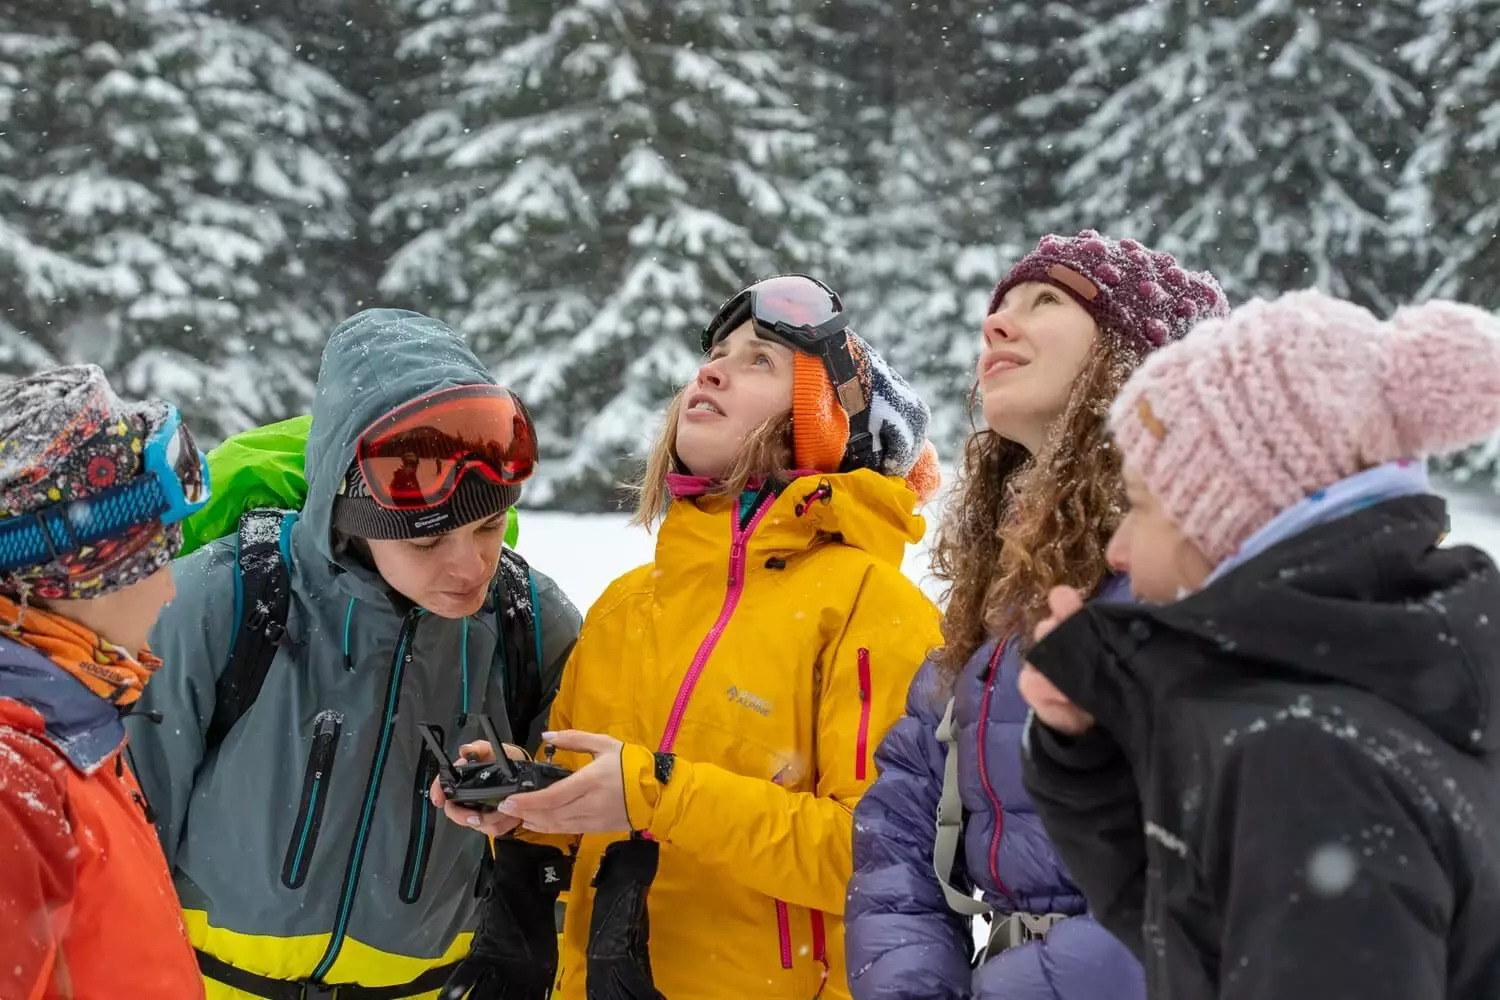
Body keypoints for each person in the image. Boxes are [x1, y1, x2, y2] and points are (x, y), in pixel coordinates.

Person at [434, 274, 945, 1000]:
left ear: (822, 421)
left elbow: (877, 860)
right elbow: (589, 827)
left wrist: (658, 794)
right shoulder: (625, 606)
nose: (711, 369)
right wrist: (526, 804)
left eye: (760, 361)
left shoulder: (872, 609)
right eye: (717, 353)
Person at [1019, 290, 1500, 999]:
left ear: (1228, 527)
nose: (1118, 549)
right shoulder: (1380, 692)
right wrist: (1088, 753)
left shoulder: (1311, 762)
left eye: (1143, 508)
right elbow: (1201, 938)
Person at [126, 309, 583, 998]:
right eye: (428, 542)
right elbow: (123, 834)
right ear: (349, 517)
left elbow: (586, 832)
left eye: (490, 526)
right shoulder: (223, 602)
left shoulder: (530, 625)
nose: (471, 565)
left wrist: (535, 799)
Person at [845, 231, 1229, 1000]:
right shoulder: (994, 609)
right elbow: (895, 839)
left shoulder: (1205, 580)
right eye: (998, 308)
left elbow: (1220, 878)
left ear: (1141, 355)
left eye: (1046, 300)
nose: (996, 324)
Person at [0, 365, 209, 999]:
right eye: (156, 560)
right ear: (83, 577)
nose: (170, 589)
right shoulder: (14, 785)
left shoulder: (69, 727)